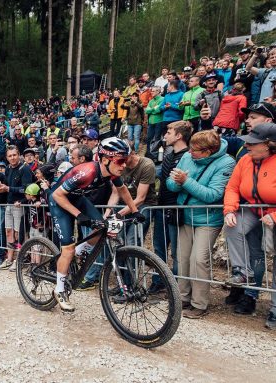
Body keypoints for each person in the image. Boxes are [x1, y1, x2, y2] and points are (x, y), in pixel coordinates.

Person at [49, 137, 145, 312]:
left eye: (126, 159)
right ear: (105, 159)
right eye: (120, 160)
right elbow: (57, 195)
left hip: (77, 198)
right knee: (68, 249)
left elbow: (122, 190)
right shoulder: (87, 171)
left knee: (102, 228)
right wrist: (78, 215)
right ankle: (60, 289)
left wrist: (135, 210)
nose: (124, 165)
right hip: (59, 200)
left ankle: (81, 250)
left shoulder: (113, 172)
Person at [166, 130, 235, 319]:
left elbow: (213, 195)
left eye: (196, 150)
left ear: (209, 151)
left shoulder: (226, 162)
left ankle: (199, 303)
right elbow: (170, 185)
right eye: (191, 148)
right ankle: (182, 298)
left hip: (208, 219)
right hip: (185, 215)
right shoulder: (187, 157)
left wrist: (186, 181)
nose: (191, 152)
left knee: (199, 260)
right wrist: (177, 182)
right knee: (182, 258)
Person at [223, 123, 276, 324]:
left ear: (268, 145)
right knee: (233, 226)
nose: (248, 146)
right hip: (254, 210)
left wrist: (274, 216)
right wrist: (229, 210)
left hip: (273, 213)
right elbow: (232, 187)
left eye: (253, 144)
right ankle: (243, 272)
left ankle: (275, 309)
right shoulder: (245, 160)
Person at [151, 121, 191, 292]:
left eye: (169, 131)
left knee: (176, 251)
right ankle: (158, 281)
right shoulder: (168, 156)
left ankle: (174, 287)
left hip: (176, 208)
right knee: (159, 247)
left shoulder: (187, 157)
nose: (165, 135)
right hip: (161, 207)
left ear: (179, 135)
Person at [0, 146, 33, 270]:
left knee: (19, 234)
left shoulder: (25, 168)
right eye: (10, 156)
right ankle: (9, 259)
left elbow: (26, 189)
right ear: (6, 157)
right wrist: (1, 188)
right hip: (9, 204)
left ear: (19, 155)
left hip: (20, 205)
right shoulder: (7, 169)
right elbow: (7, 186)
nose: (12, 158)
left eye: (14, 155)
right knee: (9, 232)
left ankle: (19, 259)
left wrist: (8, 189)